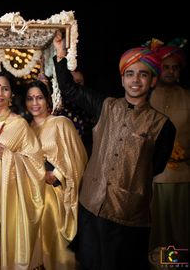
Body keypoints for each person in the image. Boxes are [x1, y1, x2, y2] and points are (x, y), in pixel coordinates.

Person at [52, 31, 176, 270]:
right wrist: (60, 53)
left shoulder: (162, 125)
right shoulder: (106, 106)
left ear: (152, 81)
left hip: (129, 217)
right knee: (89, 264)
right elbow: (70, 90)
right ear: (122, 80)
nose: (135, 80)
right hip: (90, 207)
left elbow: (156, 166)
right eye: (129, 74)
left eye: (143, 74)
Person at [0, 71, 45, 269]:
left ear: (11, 94)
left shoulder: (19, 124)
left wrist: (10, 156)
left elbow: (36, 162)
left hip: (2, 195)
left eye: (5, 88)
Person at [24, 80, 87, 270]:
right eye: (30, 99)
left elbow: (78, 157)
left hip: (55, 195)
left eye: (39, 98)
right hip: (31, 194)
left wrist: (56, 174)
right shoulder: (25, 128)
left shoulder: (61, 123)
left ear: (48, 99)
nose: (35, 103)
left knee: (55, 247)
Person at [148, 39, 189, 256]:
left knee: (181, 229)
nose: (171, 72)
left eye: (175, 67)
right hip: (152, 177)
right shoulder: (146, 97)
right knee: (156, 229)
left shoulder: (188, 97)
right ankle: (159, 264)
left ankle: (177, 263)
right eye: (166, 67)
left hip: (183, 176)